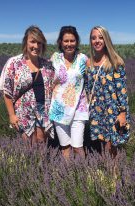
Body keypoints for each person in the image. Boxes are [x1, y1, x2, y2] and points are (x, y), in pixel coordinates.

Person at [0, 25, 55, 146]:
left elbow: (55, 86)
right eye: (33, 42)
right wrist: (12, 115)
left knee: (42, 143)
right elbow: (6, 91)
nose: (36, 46)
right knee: (29, 145)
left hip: (44, 111)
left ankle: (43, 165)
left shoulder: (47, 64)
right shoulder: (14, 63)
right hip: (23, 112)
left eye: (39, 43)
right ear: (26, 42)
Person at [85, 25, 130, 158]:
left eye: (100, 37)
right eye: (93, 38)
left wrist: (122, 113)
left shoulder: (115, 62)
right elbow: (88, 88)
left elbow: (122, 90)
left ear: (106, 40)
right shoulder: (89, 63)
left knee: (111, 145)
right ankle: (105, 172)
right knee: (102, 143)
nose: (97, 41)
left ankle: (114, 174)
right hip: (97, 111)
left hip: (112, 111)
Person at [49, 26, 88, 159]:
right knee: (65, 147)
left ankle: (85, 173)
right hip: (59, 108)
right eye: (66, 41)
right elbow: (48, 78)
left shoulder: (83, 58)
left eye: (72, 41)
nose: (69, 44)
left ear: (76, 42)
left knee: (77, 146)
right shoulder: (55, 58)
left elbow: (92, 78)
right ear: (60, 42)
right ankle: (70, 175)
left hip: (78, 108)